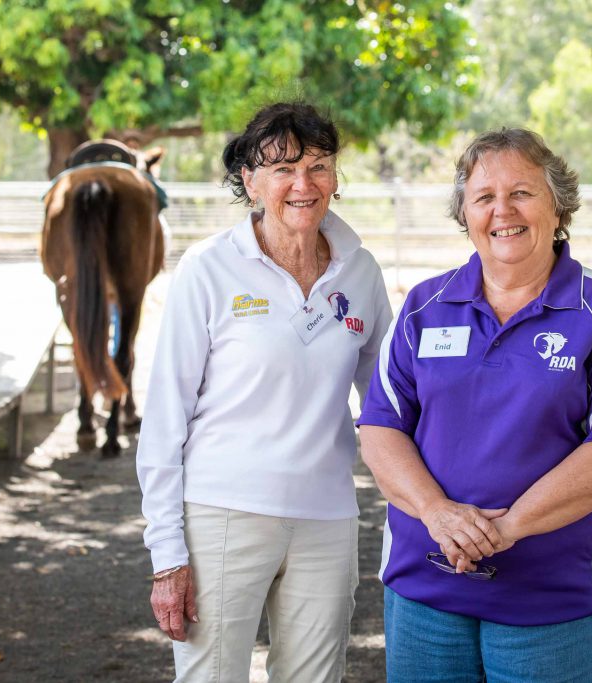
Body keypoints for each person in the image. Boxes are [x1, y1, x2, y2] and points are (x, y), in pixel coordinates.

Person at [357, 128, 592, 682]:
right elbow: (380, 427)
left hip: (552, 599)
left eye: (522, 192)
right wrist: (438, 514)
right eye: (484, 197)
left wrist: (509, 528)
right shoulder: (425, 306)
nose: (503, 211)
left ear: (557, 204)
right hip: (426, 588)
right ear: (465, 213)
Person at [136, 102, 392, 682]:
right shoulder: (208, 268)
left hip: (326, 518)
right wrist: (167, 555)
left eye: (319, 166)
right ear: (250, 181)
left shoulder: (360, 270)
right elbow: (164, 421)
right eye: (283, 168)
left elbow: (389, 401)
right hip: (223, 515)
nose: (304, 184)